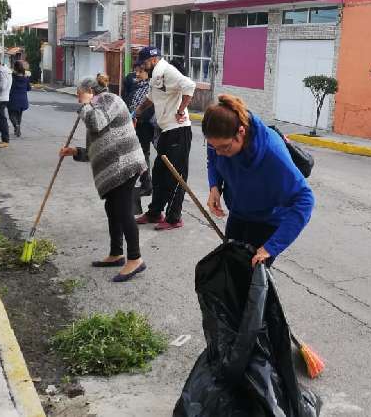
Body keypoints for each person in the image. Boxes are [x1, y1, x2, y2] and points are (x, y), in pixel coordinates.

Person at [203, 94, 315, 266]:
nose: (218, 152)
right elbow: (213, 158)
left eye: (224, 147)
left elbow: (305, 200)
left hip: (267, 222)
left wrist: (270, 247)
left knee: (252, 283)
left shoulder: (274, 154)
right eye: (213, 146)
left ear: (240, 132)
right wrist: (214, 186)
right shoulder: (220, 141)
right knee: (230, 270)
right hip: (239, 214)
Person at [59, 76, 149, 282]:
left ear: (90, 90)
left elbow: (96, 123)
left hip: (125, 164)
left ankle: (135, 259)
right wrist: (75, 151)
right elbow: (98, 149)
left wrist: (84, 104)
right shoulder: (95, 107)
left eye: (79, 94)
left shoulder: (109, 100)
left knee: (124, 210)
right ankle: (116, 254)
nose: (77, 99)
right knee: (113, 208)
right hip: (114, 168)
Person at [134, 47, 196, 231]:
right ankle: (155, 212)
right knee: (160, 173)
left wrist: (180, 110)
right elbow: (151, 98)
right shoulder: (156, 75)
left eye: (143, 63)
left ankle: (174, 217)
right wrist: (136, 112)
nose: (142, 67)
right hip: (166, 131)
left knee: (176, 176)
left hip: (179, 130)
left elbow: (189, 86)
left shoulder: (167, 70)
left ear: (153, 60)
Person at [129, 63, 154, 196]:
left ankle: (147, 184)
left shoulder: (150, 87)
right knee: (139, 154)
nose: (137, 74)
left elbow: (149, 107)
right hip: (136, 123)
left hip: (144, 125)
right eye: (136, 71)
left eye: (140, 71)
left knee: (142, 154)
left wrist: (138, 118)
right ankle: (145, 182)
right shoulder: (138, 85)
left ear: (148, 72)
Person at [8, 60, 32, 137]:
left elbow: (8, 86)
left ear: (14, 67)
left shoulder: (11, 77)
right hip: (23, 99)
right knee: (19, 115)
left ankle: (16, 126)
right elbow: (29, 88)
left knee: (11, 114)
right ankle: (18, 128)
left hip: (12, 98)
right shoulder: (26, 78)